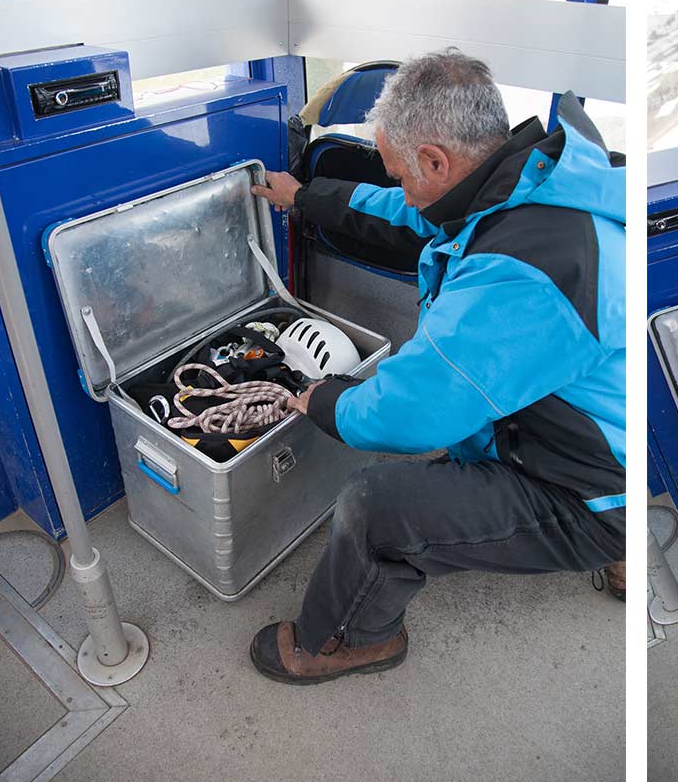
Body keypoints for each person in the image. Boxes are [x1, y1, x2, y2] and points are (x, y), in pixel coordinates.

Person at [246, 50, 626, 684]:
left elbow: (408, 414)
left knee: (376, 506)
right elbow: (407, 212)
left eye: (400, 172)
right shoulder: (536, 184)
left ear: (435, 161)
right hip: (605, 430)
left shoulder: (523, 272)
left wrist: (321, 400)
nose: (400, 187)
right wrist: (307, 198)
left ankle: (346, 639)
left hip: (586, 485)